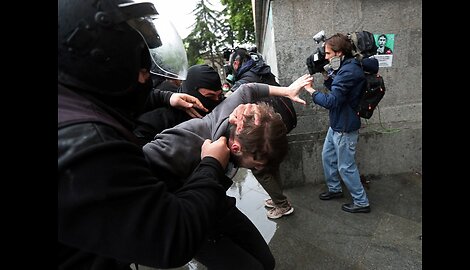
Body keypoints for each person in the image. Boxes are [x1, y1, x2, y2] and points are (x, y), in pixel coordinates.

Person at [58, 1, 233, 269]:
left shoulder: (72, 99)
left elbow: (113, 96)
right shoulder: (91, 147)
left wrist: (167, 97)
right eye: (140, 70)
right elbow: (172, 237)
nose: (145, 79)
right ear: (99, 61)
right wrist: (211, 164)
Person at [143, 75, 312, 269]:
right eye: (256, 163)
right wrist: (209, 164)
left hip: (218, 204)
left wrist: (287, 91)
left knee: (267, 261)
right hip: (190, 220)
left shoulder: (235, 116)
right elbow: (140, 170)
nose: (258, 169)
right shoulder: (184, 142)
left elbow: (248, 90)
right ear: (236, 148)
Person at [303, 33, 377, 213]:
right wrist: (324, 74)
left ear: (339, 52)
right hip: (336, 124)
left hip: (345, 126)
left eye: (328, 54)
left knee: (346, 167)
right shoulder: (346, 66)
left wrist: (310, 91)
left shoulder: (349, 71)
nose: (325, 57)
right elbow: (338, 89)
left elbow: (332, 101)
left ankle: (361, 202)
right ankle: (335, 189)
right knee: (327, 157)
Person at [226, 47, 296, 219]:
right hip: (277, 122)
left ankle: (282, 204)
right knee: (271, 164)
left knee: (260, 167)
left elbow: (228, 102)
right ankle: (278, 198)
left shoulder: (246, 80)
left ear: (236, 63)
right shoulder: (260, 68)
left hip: (264, 129)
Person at [134, 64, 224, 145]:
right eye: (210, 97)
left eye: (219, 96)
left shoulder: (221, 110)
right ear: (192, 92)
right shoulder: (163, 118)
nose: (216, 101)